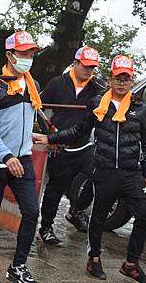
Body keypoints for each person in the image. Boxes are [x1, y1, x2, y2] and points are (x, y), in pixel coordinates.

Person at [34, 55, 146, 283]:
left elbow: (145, 145)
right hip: (104, 170)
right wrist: (51, 139)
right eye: (117, 78)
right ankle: (94, 258)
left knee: (145, 215)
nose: (121, 82)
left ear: (132, 81)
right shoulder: (98, 103)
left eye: (126, 79)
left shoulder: (141, 110)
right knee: (97, 218)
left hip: (131, 174)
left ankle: (131, 263)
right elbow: (78, 130)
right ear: (110, 80)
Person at [0, 31, 41, 283]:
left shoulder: (33, 86)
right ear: (10, 55)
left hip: (22, 158)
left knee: (32, 212)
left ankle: (18, 266)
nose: (28, 58)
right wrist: (6, 155)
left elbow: (24, 121)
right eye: (24, 53)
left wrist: (34, 138)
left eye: (31, 54)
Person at [38, 47, 105, 245]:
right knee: (55, 188)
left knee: (100, 175)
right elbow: (38, 107)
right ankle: (46, 227)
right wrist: (50, 133)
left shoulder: (97, 89)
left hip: (84, 144)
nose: (89, 70)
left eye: (93, 67)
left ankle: (77, 210)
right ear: (75, 63)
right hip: (60, 145)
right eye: (86, 66)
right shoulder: (57, 83)